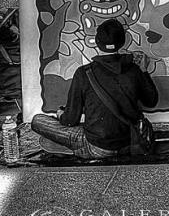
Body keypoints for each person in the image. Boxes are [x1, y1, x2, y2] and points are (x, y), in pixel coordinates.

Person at [31, 18, 158, 159]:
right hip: (130, 143)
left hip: (97, 146)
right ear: (123, 42)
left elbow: (70, 120)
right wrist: (144, 71)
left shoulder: (83, 73)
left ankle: (78, 149)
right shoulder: (134, 70)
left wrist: (61, 114)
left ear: (97, 42)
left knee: (38, 120)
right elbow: (151, 102)